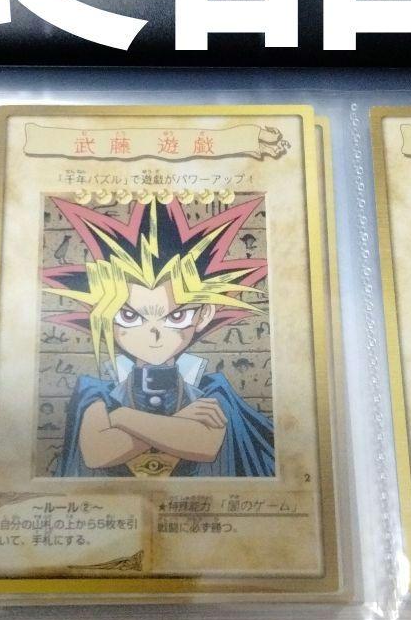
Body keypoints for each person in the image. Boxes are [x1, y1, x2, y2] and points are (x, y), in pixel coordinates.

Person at [42, 195, 275, 478]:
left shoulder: (212, 388)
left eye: (175, 317)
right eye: (130, 316)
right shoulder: (96, 390)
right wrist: (180, 422)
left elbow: (205, 443)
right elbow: (96, 451)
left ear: (203, 315)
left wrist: (120, 417)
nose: (153, 333)